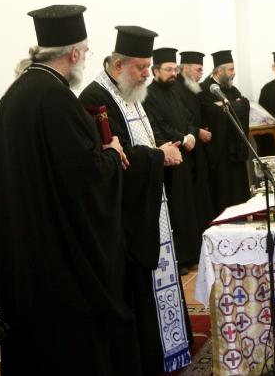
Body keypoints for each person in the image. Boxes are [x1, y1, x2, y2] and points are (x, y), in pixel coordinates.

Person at [0, 5, 141, 376]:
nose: (86, 59)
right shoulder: (57, 99)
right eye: (86, 52)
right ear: (74, 54)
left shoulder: (14, 95)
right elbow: (86, 178)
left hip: (23, 251)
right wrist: (112, 155)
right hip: (59, 258)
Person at [80, 26, 192, 374]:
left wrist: (159, 152)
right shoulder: (95, 99)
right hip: (126, 220)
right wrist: (159, 156)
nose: (147, 74)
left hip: (149, 208)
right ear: (118, 65)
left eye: (148, 67)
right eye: (141, 67)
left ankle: (166, 350)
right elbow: (118, 161)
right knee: (137, 292)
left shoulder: (129, 92)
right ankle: (148, 359)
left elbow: (137, 145)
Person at [143, 47, 205, 274]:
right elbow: (158, 125)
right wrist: (183, 138)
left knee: (188, 207)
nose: (173, 74)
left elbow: (188, 117)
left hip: (185, 158)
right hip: (169, 159)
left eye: (174, 69)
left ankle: (192, 255)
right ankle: (179, 259)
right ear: (155, 71)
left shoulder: (175, 92)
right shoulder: (148, 95)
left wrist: (191, 135)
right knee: (175, 210)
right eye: (168, 69)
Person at [200, 50, 251, 213]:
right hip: (219, 152)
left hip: (236, 151)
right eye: (230, 69)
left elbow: (244, 105)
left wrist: (227, 107)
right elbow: (211, 113)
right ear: (219, 71)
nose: (234, 73)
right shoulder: (205, 89)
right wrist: (234, 106)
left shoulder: (233, 90)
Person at [172, 50, 214, 228]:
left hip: (198, 148)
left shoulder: (194, 87)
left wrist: (201, 128)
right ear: (186, 68)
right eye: (198, 70)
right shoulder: (175, 89)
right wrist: (197, 132)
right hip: (185, 150)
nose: (201, 74)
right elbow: (180, 120)